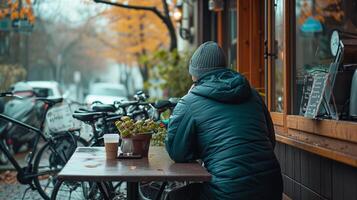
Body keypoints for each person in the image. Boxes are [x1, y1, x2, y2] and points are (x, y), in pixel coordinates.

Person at [165, 41, 283, 200]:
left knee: (174, 197)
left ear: (195, 73)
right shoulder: (253, 95)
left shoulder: (189, 102)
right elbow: (270, 140)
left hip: (227, 193)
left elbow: (177, 152)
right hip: (272, 188)